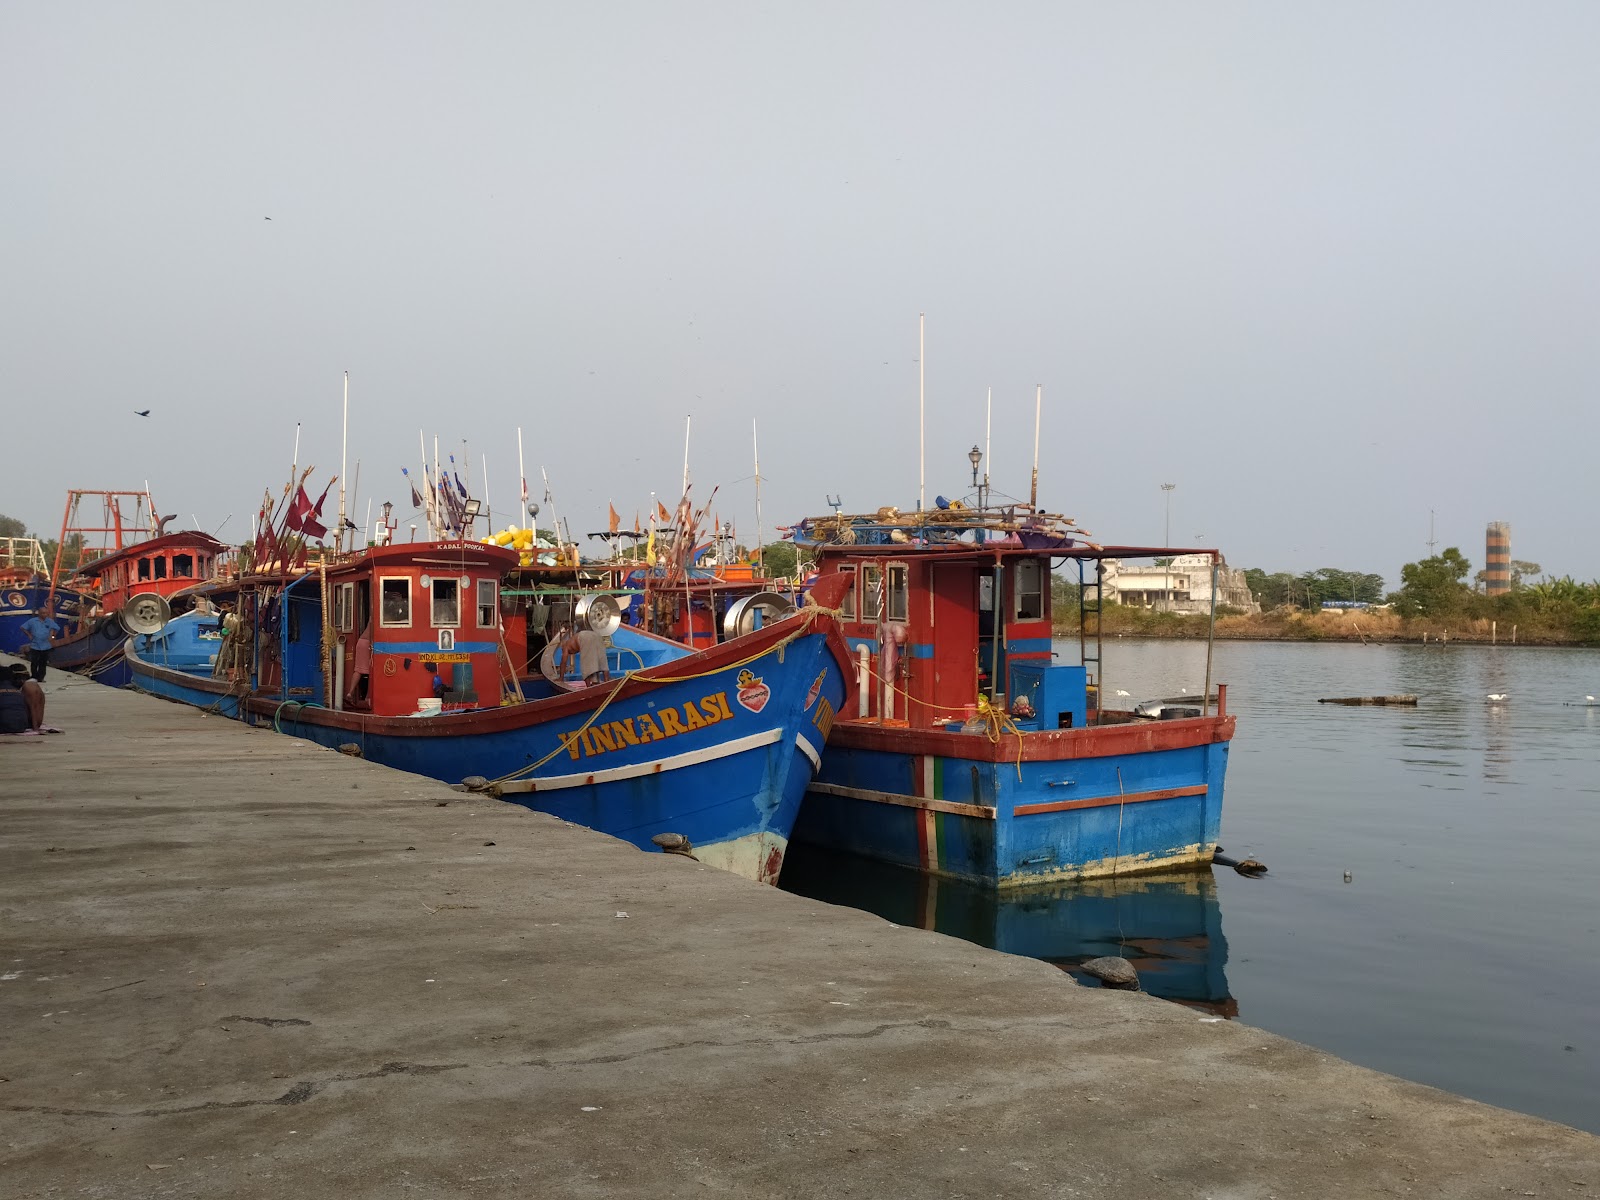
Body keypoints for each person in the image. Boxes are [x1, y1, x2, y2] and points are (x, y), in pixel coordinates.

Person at [0, 662, 46, 734]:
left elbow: (33, 707)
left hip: (29, 723)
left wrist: (35, 728)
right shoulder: (21, 689)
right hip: (23, 725)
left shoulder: (28, 687)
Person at [18, 605, 61, 681]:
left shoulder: (50, 621)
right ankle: (34, 676)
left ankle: (41, 678)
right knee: (34, 662)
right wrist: (29, 635)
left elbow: (56, 628)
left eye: (46, 613)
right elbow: (22, 627)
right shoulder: (32, 621)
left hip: (46, 645)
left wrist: (53, 635)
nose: (45, 615)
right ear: (39, 613)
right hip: (35, 645)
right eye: (43, 613)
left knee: (43, 663)